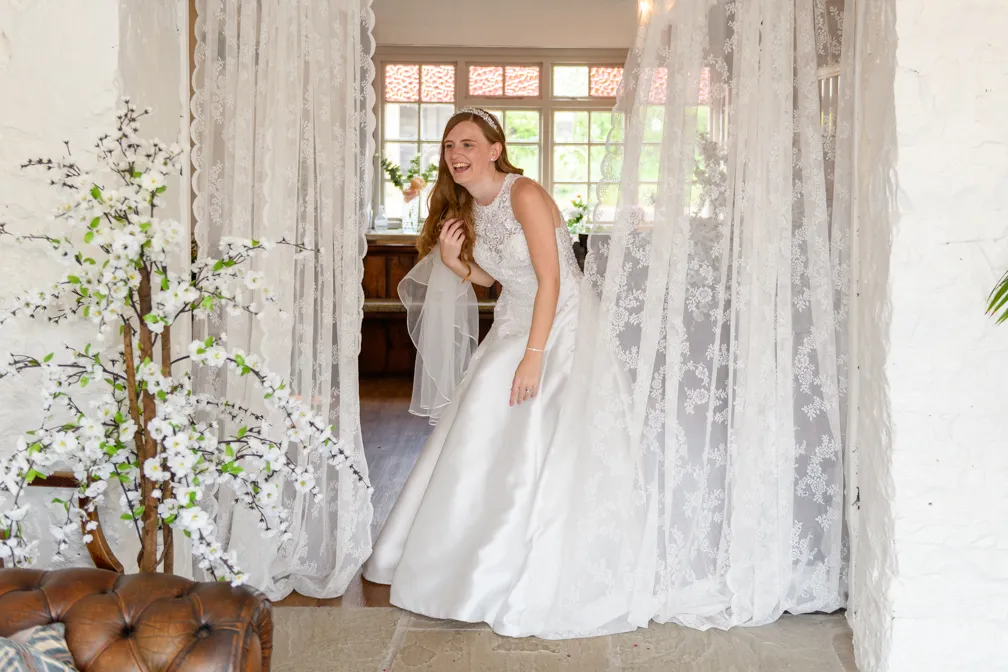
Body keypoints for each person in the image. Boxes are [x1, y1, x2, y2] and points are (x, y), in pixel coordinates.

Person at [362, 107, 600, 637]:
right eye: (449, 146)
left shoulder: (526, 194)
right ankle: (467, 547)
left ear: (495, 150)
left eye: (467, 144)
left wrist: (535, 354)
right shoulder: (468, 205)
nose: (456, 155)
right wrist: (455, 266)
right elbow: (497, 281)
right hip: (517, 316)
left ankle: (524, 551)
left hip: (559, 323)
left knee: (527, 418)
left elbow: (551, 281)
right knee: (480, 418)